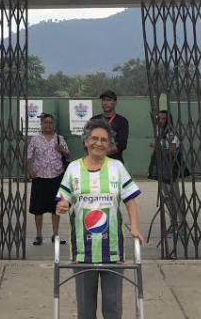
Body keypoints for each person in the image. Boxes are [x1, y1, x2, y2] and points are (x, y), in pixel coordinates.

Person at [56, 120, 144, 319]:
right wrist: (62, 205)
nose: (99, 143)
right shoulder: (73, 169)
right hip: (82, 250)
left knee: (113, 308)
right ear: (86, 141)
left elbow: (130, 201)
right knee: (85, 310)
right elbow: (64, 199)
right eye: (94, 138)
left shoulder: (117, 167)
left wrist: (135, 227)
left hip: (112, 249)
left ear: (109, 144)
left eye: (104, 140)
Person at [26, 113, 69, 246]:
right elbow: (28, 156)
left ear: (54, 125)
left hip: (56, 176)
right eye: (45, 123)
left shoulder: (59, 139)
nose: (48, 125)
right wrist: (30, 171)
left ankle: (55, 234)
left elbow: (68, 155)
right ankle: (39, 235)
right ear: (41, 124)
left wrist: (62, 150)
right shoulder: (35, 139)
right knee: (38, 208)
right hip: (40, 177)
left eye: (50, 123)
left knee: (56, 207)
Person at [93, 90, 129, 163]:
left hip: (114, 162)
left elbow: (122, 144)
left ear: (115, 103)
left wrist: (103, 152)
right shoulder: (94, 120)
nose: (106, 103)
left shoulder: (122, 121)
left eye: (109, 100)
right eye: (104, 100)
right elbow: (87, 140)